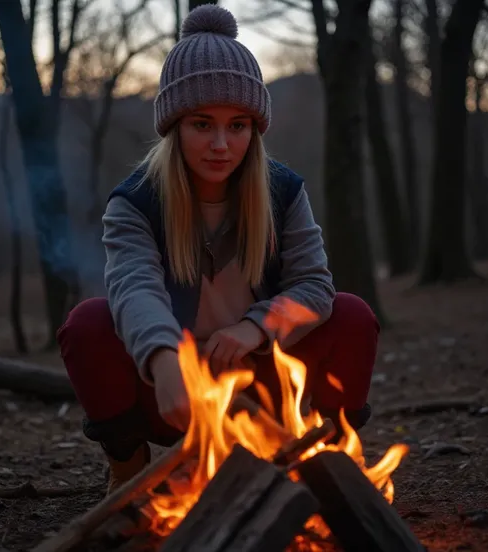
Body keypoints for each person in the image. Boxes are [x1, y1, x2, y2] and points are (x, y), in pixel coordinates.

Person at [57, 4, 379, 493]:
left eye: (239, 125)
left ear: (255, 130)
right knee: (87, 324)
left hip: (262, 387)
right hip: (171, 395)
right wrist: (166, 358)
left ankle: (331, 465)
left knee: (352, 315)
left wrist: (256, 327)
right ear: (174, 127)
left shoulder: (282, 193)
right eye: (202, 124)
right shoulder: (136, 202)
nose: (221, 145)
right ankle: (129, 469)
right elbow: (133, 289)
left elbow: (315, 286)